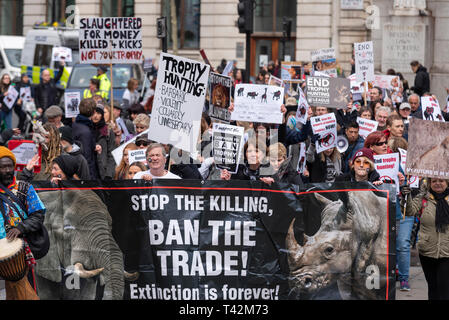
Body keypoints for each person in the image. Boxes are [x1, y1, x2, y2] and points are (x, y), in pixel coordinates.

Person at [0, 146, 46, 299]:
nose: (7, 170)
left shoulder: (25, 188)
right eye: (2, 167)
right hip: (2, 251)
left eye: (10, 166)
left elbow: (38, 215)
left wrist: (21, 227)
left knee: (27, 291)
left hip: (23, 249)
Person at [404, 178, 449, 299]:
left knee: (445, 291)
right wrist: (407, 196)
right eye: (434, 181)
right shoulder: (423, 197)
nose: (437, 183)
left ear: (447, 183)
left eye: (441, 181)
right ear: (429, 183)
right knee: (433, 289)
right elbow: (409, 211)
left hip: (447, 253)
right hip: (427, 252)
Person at [72, 98, 99, 180]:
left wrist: (93, 145)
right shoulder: (85, 131)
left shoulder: (75, 124)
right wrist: (91, 179)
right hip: (84, 175)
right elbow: (87, 157)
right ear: (94, 112)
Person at [91, 104, 116, 180]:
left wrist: (108, 174)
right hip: (90, 170)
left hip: (103, 171)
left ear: (102, 115)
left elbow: (111, 154)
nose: (95, 116)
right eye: (93, 113)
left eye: (98, 113)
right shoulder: (86, 130)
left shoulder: (108, 131)